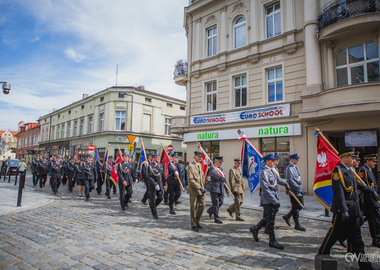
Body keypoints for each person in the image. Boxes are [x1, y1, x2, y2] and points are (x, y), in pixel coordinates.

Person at [318, 148, 376, 270]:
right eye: (352, 158)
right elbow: (338, 192)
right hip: (343, 211)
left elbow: (357, 185)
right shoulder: (338, 171)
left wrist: (370, 191)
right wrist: (343, 210)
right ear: (345, 158)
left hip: (354, 210)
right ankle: (323, 252)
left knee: (357, 240)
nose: (354, 160)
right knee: (334, 234)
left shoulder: (349, 171)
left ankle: (365, 266)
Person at [250, 153, 290, 250]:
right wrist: (274, 201)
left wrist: (286, 184)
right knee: (270, 221)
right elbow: (266, 189)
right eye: (272, 160)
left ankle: (255, 228)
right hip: (268, 200)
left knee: (268, 217)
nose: (274, 162)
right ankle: (272, 241)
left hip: (273, 198)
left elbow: (278, 180)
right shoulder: (263, 173)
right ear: (267, 161)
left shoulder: (272, 171)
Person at [358, 154, 380, 248]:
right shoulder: (363, 170)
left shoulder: (369, 170)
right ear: (367, 161)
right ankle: (377, 239)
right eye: (373, 161)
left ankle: (342, 235)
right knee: (375, 220)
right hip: (368, 199)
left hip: (372, 198)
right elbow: (360, 184)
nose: (375, 163)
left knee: (362, 219)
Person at [282, 153, 306, 231]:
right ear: (292, 159)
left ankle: (287, 216)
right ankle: (297, 224)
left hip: (298, 190)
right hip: (293, 192)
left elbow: (298, 180)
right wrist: (299, 190)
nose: (297, 160)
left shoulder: (296, 168)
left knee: (300, 206)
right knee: (296, 208)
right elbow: (290, 181)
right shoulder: (289, 169)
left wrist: (301, 189)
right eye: (296, 159)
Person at [187, 151, 206, 232]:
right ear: (194, 156)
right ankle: (194, 224)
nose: (200, 158)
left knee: (202, 205)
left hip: (201, 189)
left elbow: (200, 178)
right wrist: (199, 187)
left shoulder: (200, 165)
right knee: (193, 207)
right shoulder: (190, 166)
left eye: (201, 156)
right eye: (198, 156)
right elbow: (190, 179)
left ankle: (197, 220)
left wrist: (203, 187)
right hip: (194, 190)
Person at [207, 156, 226, 224]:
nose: (221, 163)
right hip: (214, 188)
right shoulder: (212, 168)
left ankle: (210, 210)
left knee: (221, 202)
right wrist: (220, 177)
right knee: (215, 203)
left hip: (221, 188)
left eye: (221, 162)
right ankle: (216, 218)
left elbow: (224, 177)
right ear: (216, 161)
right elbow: (213, 174)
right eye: (219, 162)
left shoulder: (222, 169)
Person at [146, 153, 163, 219]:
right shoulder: (150, 166)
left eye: (158, 157)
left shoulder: (160, 165)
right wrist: (155, 184)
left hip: (160, 184)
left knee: (161, 197)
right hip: (153, 185)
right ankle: (154, 213)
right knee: (152, 199)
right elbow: (149, 176)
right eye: (156, 157)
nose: (158, 158)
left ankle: (153, 206)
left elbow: (162, 175)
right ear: (153, 158)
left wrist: (164, 184)